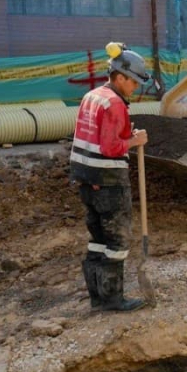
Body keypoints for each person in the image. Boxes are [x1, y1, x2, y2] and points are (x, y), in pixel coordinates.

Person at [70, 42, 150, 312]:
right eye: (134, 82)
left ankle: (97, 297)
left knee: (97, 240)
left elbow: (95, 137)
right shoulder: (115, 104)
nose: (135, 88)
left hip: (85, 179)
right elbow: (109, 147)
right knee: (116, 242)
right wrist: (134, 140)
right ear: (119, 76)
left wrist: (124, 135)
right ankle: (113, 299)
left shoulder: (92, 96)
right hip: (108, 183)